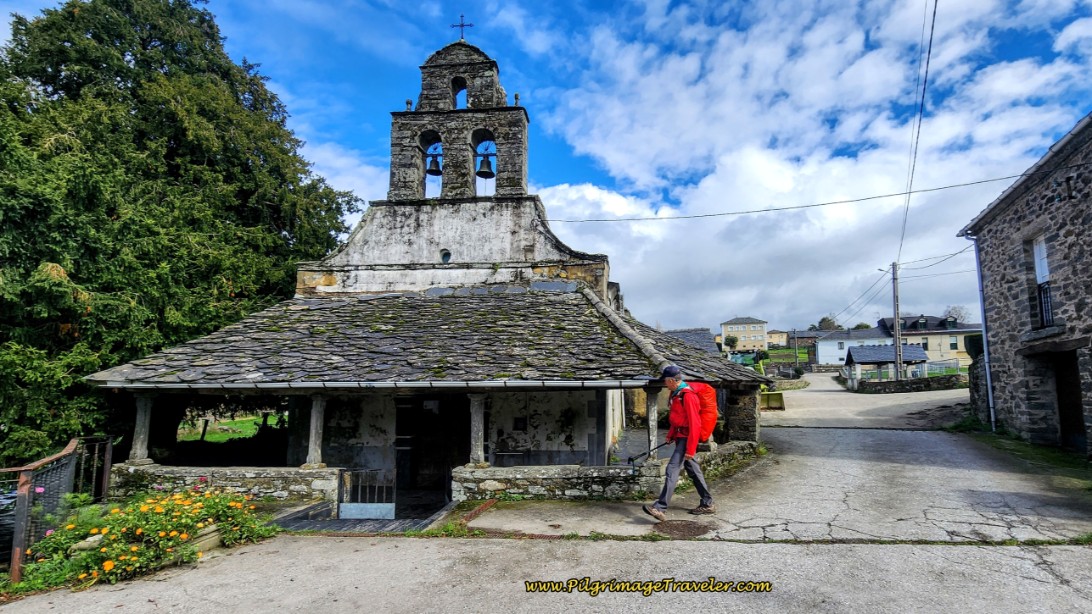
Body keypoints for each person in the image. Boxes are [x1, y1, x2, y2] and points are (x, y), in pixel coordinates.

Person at [642, 365, 716, 521]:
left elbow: (695, 424)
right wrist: (671, 434)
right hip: (681, 436)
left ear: (671, 380)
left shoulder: (688, 396)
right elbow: (677, 418)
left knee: (672, 469)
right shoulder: (676, 394)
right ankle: (707, 503)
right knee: (692, 469)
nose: (664, 384)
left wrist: (690, 449)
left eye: (665, 381)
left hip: (686, 439)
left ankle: (660, 508)